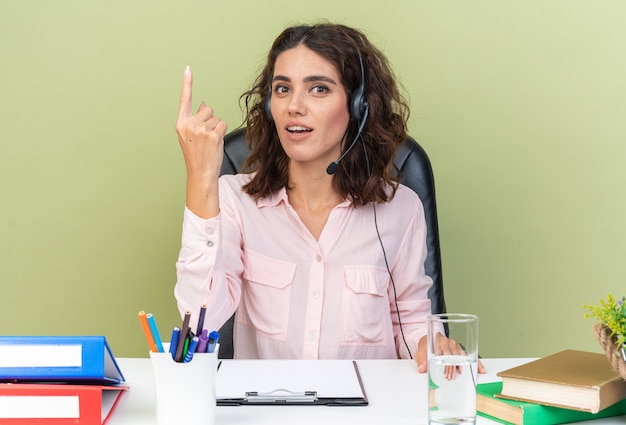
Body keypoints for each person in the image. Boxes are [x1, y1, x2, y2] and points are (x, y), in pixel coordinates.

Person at [174, 22, 484, 373]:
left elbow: (410, 319)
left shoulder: (401, 208)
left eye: (318, 89)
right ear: (268, 105)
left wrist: (429, 342)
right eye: (282, 89)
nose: (294, 106)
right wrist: (201, 178)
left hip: (371, 407)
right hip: (267, 410)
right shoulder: (233, 199)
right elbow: (198, 323)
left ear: (358, 105)